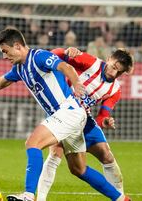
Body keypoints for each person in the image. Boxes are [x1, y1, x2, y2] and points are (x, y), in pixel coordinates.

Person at [0, 27, 130, 201]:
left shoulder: (39, 56)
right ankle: (121, 198)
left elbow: (66, 67)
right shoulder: (19, 69)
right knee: (79, 169)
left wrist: (75, 83)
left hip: (69, 111)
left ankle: (29, 195)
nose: (4, 56)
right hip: (71, 116)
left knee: (32, 143)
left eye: (6, 51)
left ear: (18, 46)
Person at [37, 47, 134, 201]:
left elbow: (103, 116)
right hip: (63, 110)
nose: (114, 74)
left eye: (119, 72)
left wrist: (106, 121)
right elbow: (56, 54)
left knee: (107, 156)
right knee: (56, 153)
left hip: (84, 117)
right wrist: (67, 51)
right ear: (108, 59)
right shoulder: (91, 63)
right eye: (114, 67)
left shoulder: (115, 89)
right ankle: (40, 199)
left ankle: (119, 195)